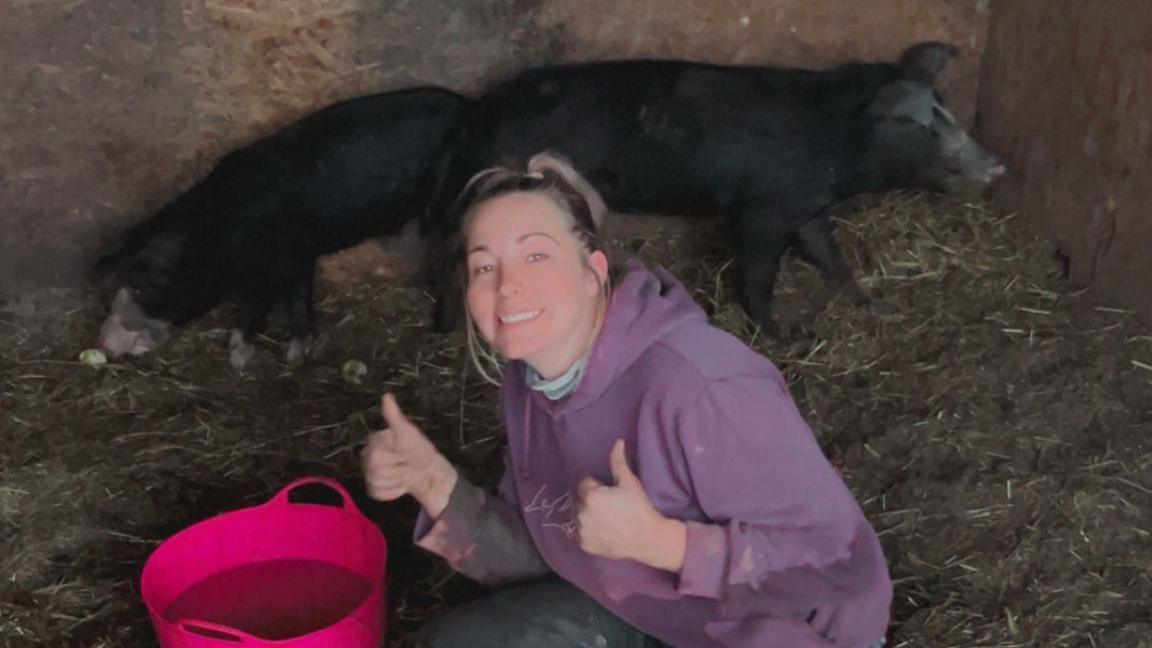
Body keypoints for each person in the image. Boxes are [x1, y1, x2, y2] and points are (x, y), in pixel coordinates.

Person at [361, 152, 892, 648]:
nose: (507, 286)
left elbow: (838, 566)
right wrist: (436, 484)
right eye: (484, 266)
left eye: (536, 254)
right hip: (649, 610)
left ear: (593, 271)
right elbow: (551, 552)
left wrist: (666, 544)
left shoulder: (700, 385)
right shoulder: (527, 384)